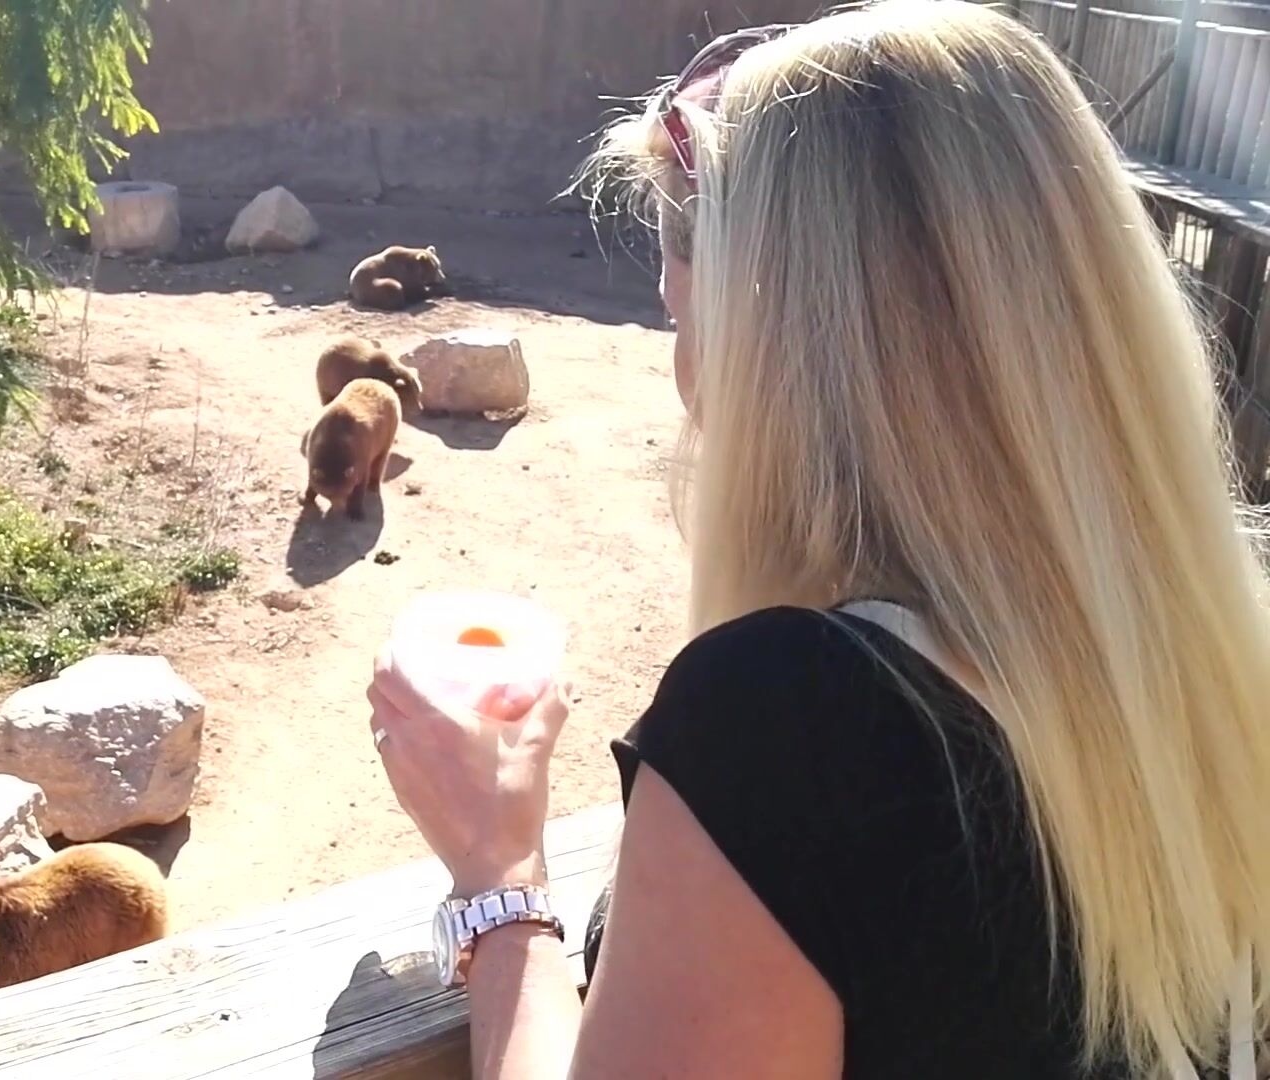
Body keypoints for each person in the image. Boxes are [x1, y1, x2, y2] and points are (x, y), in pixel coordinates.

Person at [364, 3, 1270, 1078]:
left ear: (770, 340)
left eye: (682, 311)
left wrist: (499, 879)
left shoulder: (794, 726)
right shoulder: (1212, 651)